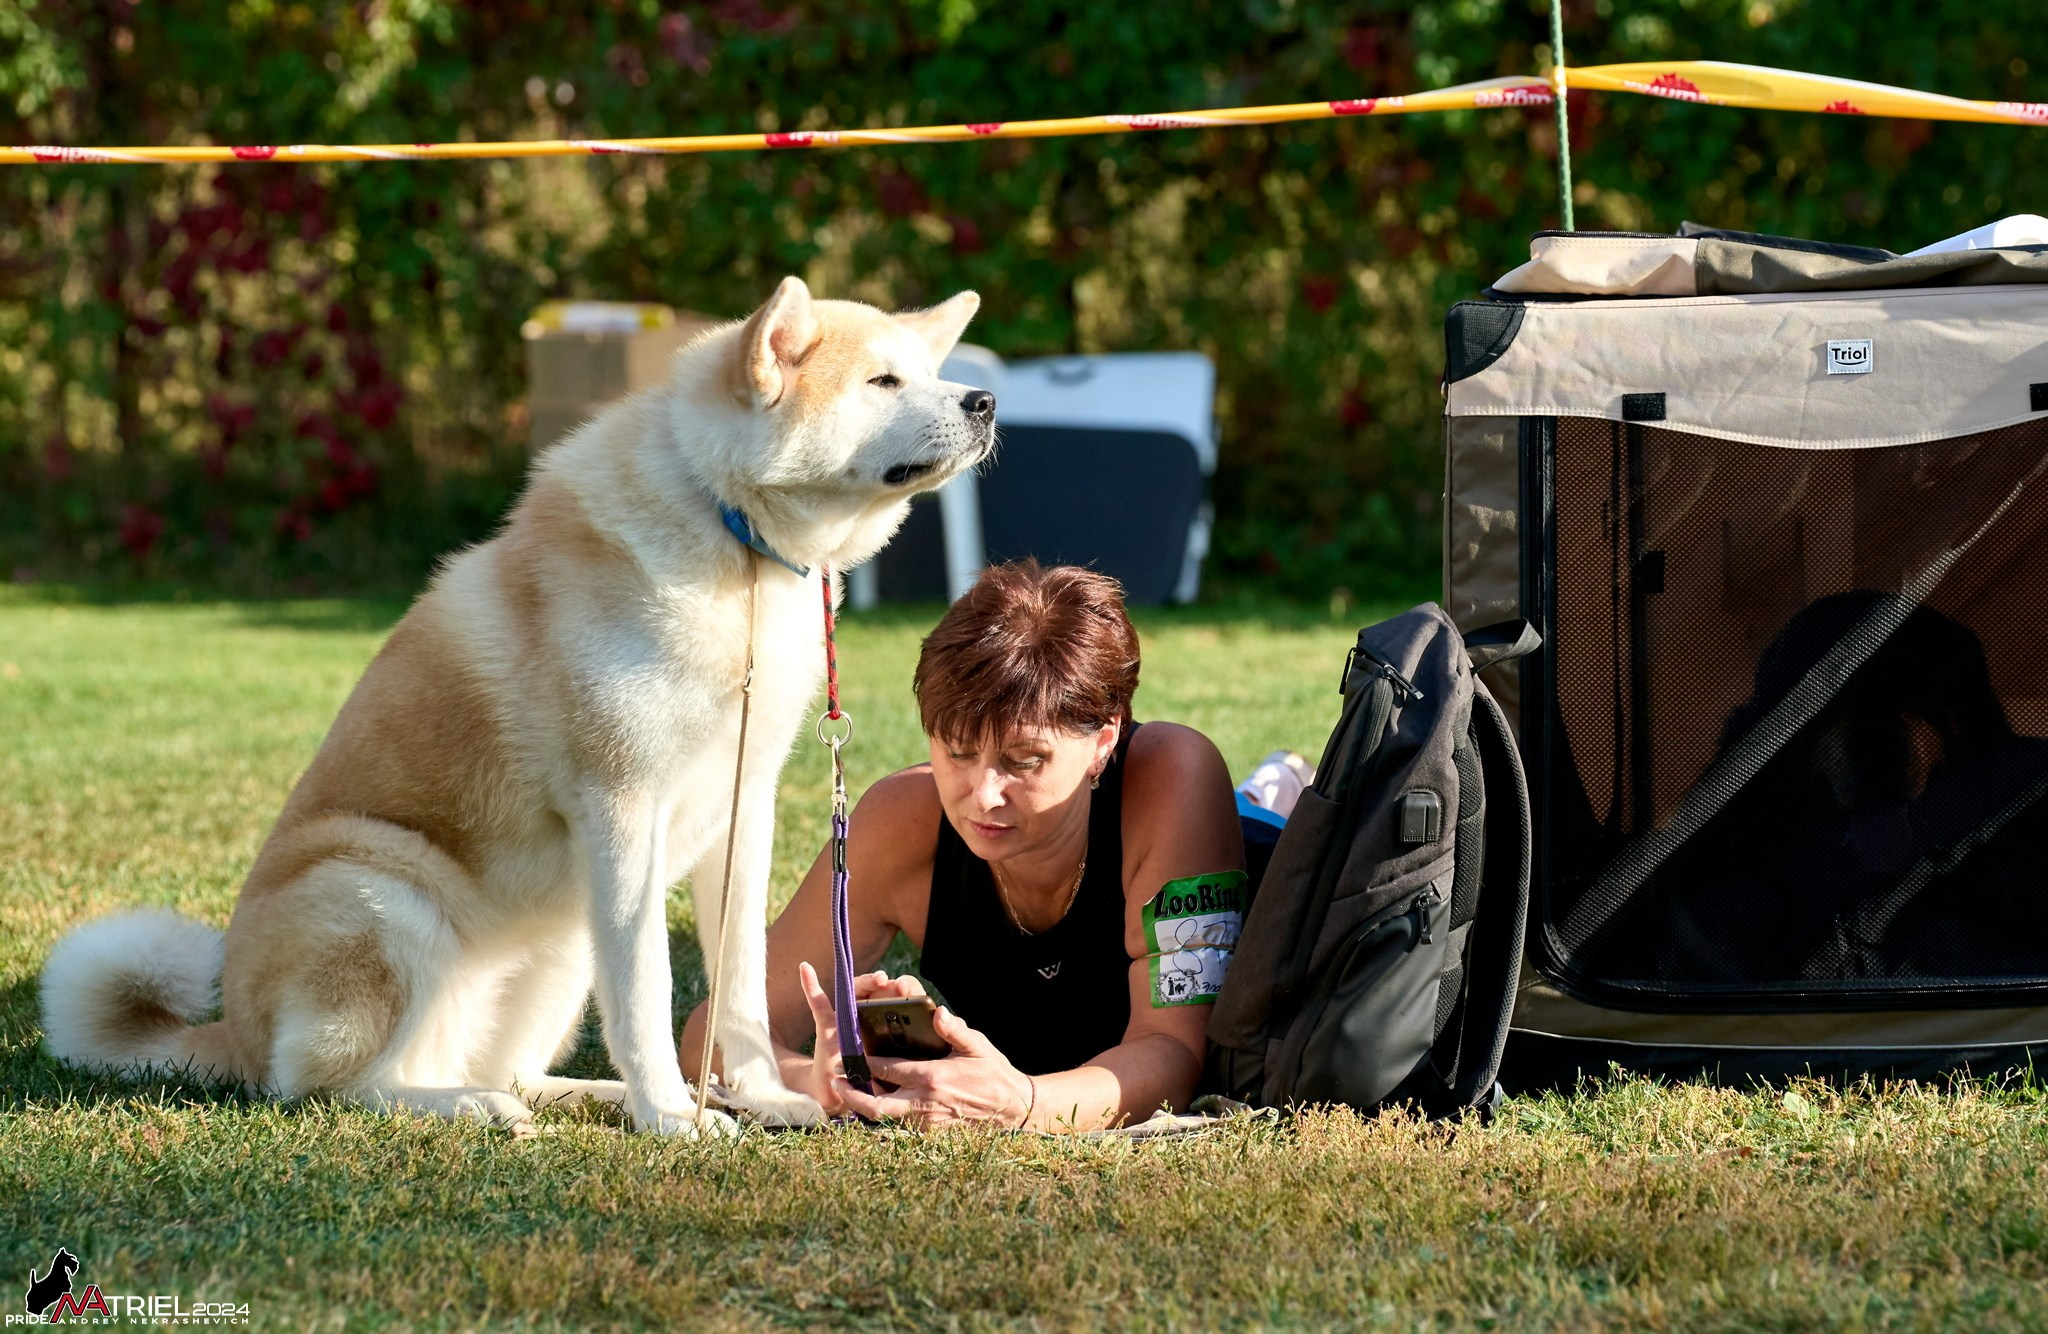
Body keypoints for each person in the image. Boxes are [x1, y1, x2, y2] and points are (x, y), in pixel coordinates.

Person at [683, 560, 1245, 1132]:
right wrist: (815, 1079)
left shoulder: (1172, 780)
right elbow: (715, 1036)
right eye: (956, 751)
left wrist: (1020, 1105)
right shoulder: (905, 819)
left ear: (1104, 739)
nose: (982, 796)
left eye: (1024, 761)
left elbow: (1176, 1052)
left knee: (1271, 804)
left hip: (1255, 839)